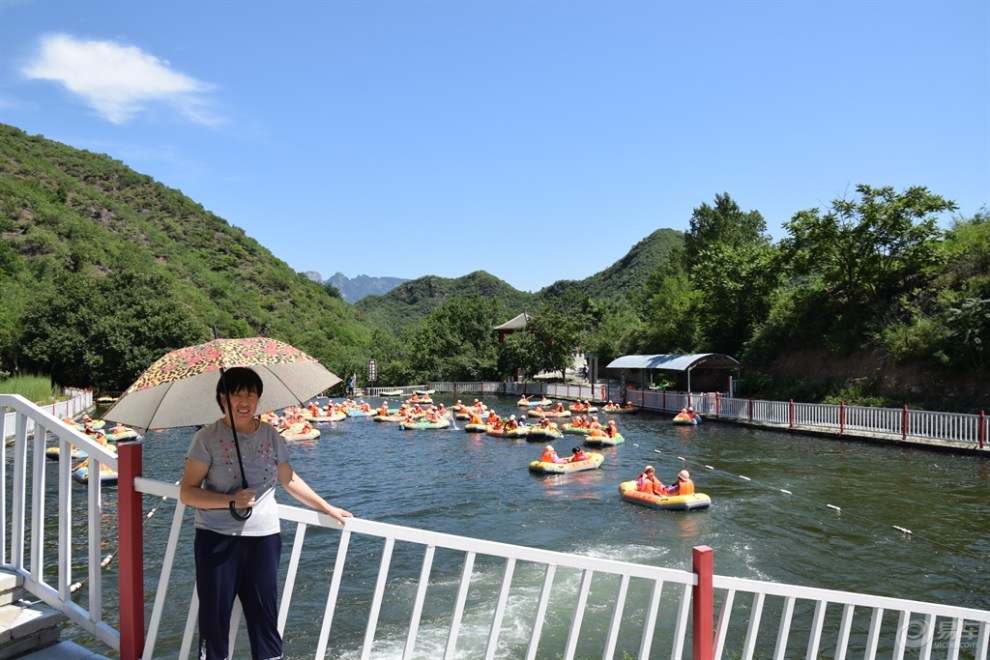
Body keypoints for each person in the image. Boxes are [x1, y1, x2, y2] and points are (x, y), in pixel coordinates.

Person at [179, 367, 352, 660]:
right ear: (223, 398)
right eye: (236, 394)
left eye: (251, 394)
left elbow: (289, 480)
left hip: (264, 539)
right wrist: (230, 501)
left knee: (264, 617)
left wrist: (327, 507)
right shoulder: (206, 438)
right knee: (214, 618)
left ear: (259, 398)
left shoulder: (271, 435)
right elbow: (187, 492)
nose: (244, 401)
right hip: (216, 540)